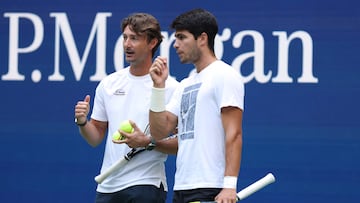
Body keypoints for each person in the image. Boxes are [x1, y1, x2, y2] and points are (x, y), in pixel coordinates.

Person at [74, 13, 178, 203]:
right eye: (125, 37)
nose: (127, 44)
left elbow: (182, 144)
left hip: (146, 183)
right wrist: (82, 122)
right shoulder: (109, 84)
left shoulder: (170, 87)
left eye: (135, 38)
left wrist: (148, 142)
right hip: (107, 186)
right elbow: (95, 137)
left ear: (152, 42)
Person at [149, 8, 244, 203]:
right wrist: (158, 87)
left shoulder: (224, 75)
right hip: (182, 186)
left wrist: (229, 186)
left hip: (211, 187)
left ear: (202, 38)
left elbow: (234, 133)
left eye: (182, 38)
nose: (175, 45)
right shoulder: (185, 84)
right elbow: (159, 131)